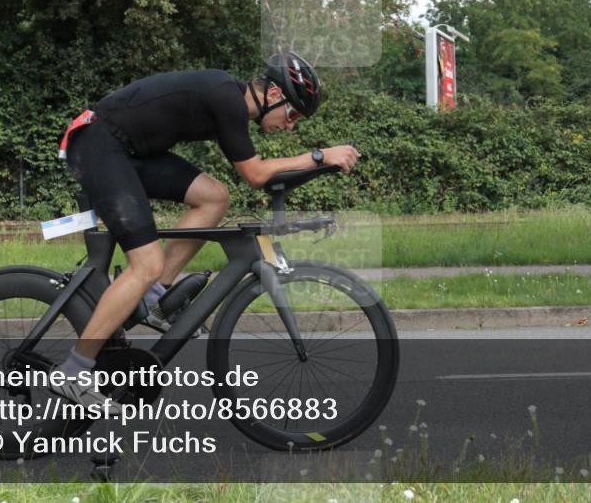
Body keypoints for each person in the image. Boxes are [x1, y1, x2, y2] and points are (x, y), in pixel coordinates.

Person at [50, 52, 360, 409]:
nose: (290, 126)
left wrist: (317, 163)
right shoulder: (226, 99)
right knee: (145, 263)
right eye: (293, 114)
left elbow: (257, 174)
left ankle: (153, 297)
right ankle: (73, 371)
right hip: (99, 144)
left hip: (130, 150)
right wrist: (320, 156)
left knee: (214, 197)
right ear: (274, 95)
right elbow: (257, 175)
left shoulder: (230, 103)